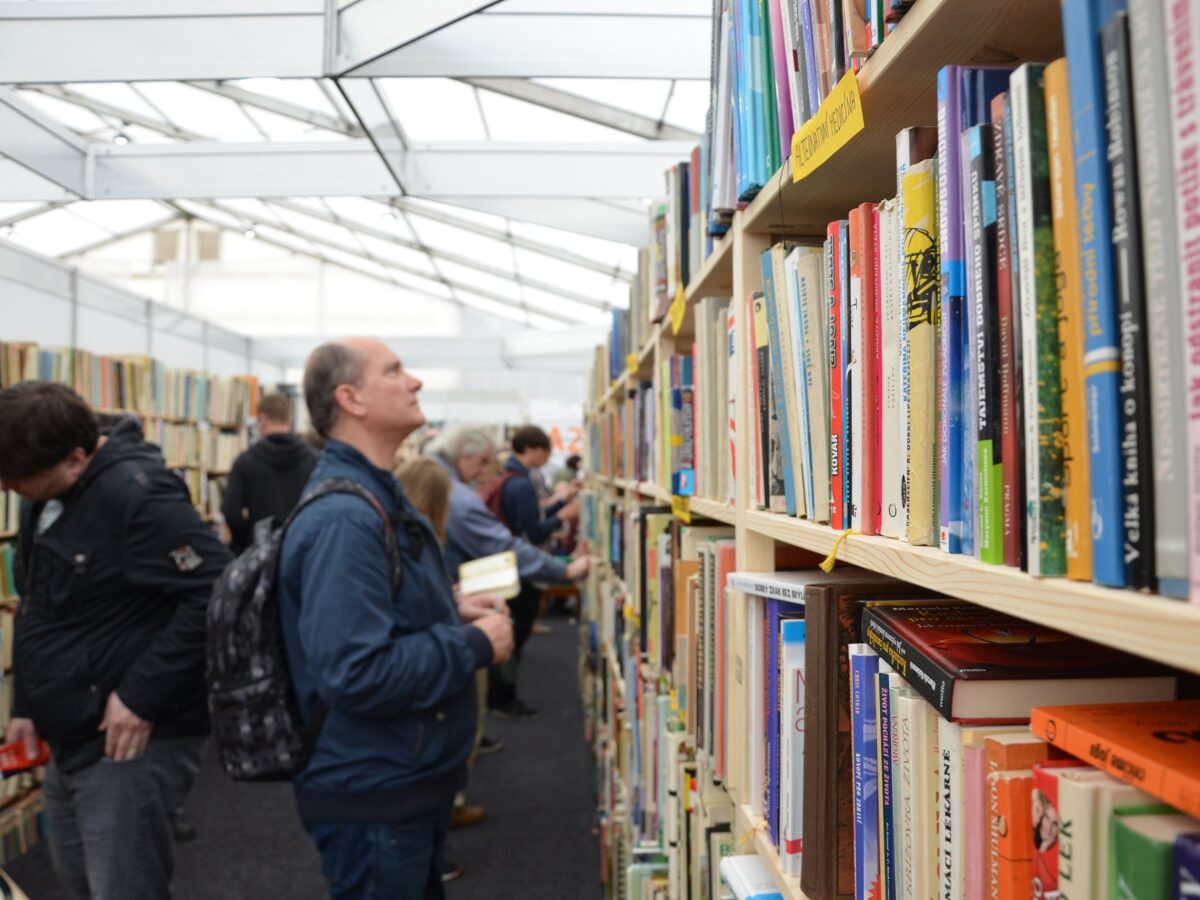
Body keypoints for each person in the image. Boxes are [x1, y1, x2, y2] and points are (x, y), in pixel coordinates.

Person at [278, 339, 513, 900]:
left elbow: (378, 607)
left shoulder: (380, 496)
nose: (415, 382)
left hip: (402, 777)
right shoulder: (346, 519)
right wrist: (473, 645)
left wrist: (448, 609)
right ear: (351, 398)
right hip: (374, 790)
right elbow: (356, 671)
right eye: (395, 371)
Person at [0, 382, 232, 900]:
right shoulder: (47, 493)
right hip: (73, 732)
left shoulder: (139, 496)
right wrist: (28, 701)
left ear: (76, 458)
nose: (4, 489)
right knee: (79, 881)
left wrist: (140, 696)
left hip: (132, 738)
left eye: (15, 479)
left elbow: (218, 592)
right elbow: (40, 603)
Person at [432, 425, 588, 720]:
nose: (485, 472)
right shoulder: (459, 495)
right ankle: (500, 701)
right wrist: (564, 568)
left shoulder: (448, 486)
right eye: (483, 461)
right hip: (493, 576)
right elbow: (509, 542)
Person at [220, 391, 318, 553]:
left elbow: (231, 513)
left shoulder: (245, 462)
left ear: (262, 420)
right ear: (290, 419)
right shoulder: (314, 460)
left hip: (261, 555)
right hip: (303, 551)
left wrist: (246, 542)